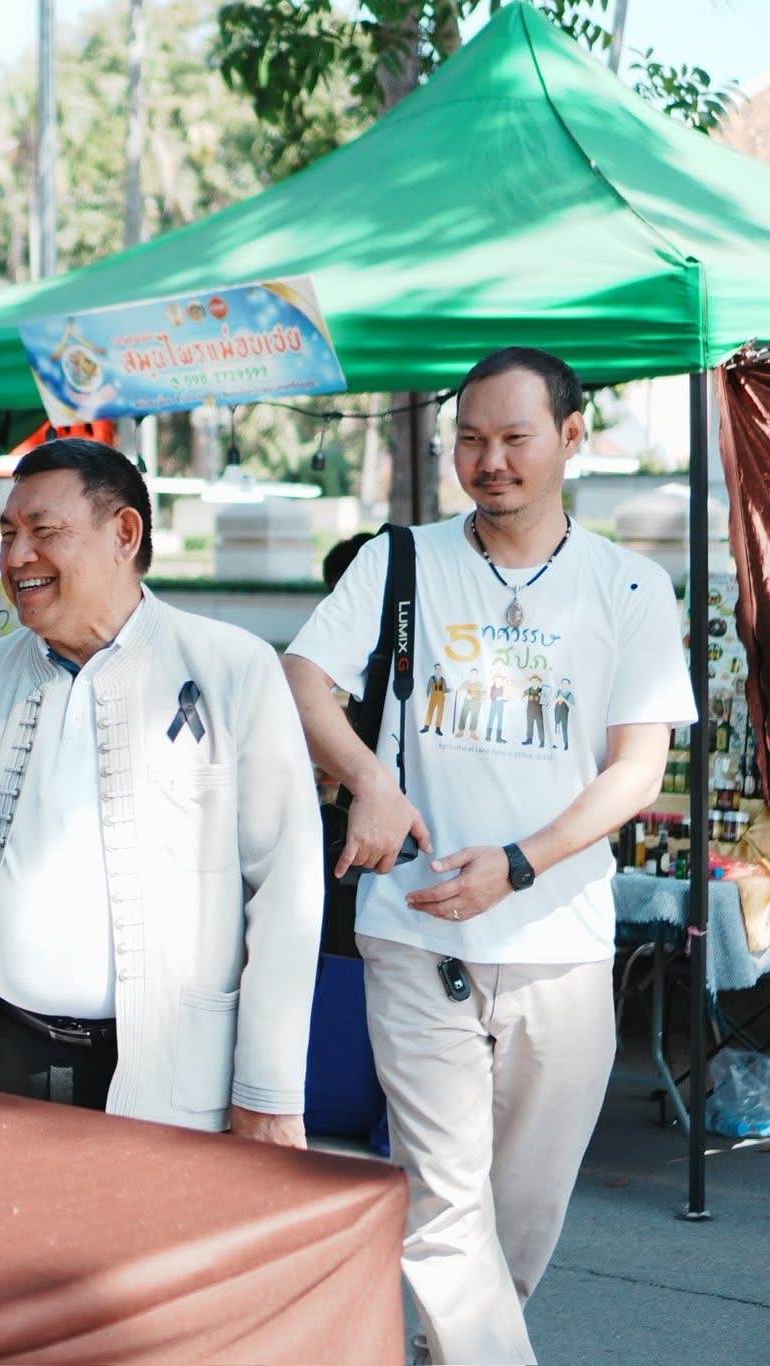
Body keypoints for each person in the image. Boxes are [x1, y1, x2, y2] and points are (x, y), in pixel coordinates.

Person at [284, 347, 693, 1365]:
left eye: (513, 437)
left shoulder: (629, 585)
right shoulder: (399, 559)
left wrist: (519, 861)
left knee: (516, 1218)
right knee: (442, 1204)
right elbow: (297, 680)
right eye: (469, 436)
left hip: (559, 940)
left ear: (569, 437)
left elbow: (636, 770)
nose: (488, 459)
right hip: (413, 933)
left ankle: (442, 1350)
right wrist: (368, 781)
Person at [0, 438, 321, 1143]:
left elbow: (285, 893)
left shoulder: (230, 670)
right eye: (7, 535)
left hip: (175, 1068)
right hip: (4, 1056)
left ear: (124, 533)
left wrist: (267, 1090)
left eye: (44, 532)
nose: (15, 556)